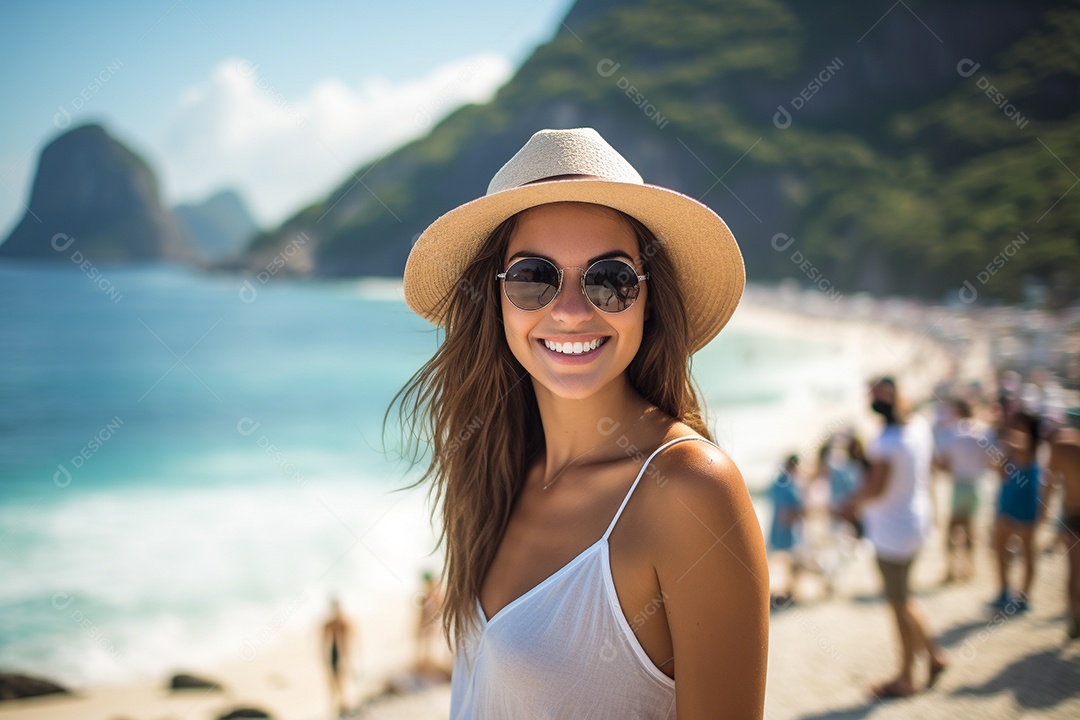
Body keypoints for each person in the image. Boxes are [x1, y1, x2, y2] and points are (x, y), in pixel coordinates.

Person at [393, 128, 768, 718]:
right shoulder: (495, 473)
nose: (569, 311)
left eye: (610, 280)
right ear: (494, 299)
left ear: (649, 297)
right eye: (533, 278)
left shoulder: (690, 490)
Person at [843, 377, 947, 698]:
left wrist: (847, 505)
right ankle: (933, 656)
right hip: (916, 522)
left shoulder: (884, 442)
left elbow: (876, 488)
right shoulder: (918, 427)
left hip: (892, 532)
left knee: (898, 603)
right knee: (904, 598)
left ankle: (905, 676)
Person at [990, 414, 1043, 613]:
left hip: (1025, 506)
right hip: (1008, 504)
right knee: (1001, 549)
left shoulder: (1030, 448)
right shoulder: (1012, 449)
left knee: (1028, 552)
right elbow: (999, 471)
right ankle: (1005, 591)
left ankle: (1023, 597)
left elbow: (1019, 444)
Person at [936, 399, 991, 583]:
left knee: (952, 529)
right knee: (970, 527)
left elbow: (943, 462)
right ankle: (970, 568)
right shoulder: (982, 431)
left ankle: (950, 570)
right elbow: (991, 460)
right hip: (977, 485)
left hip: (959, 484)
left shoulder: (953, 432)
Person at [1047, 415, 1080, 639]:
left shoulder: (1062, 446)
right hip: (1073, 516)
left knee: (1075, 573)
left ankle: (1074, 619)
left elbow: (1051, 482)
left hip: (1074, 515)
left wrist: (1042, 512)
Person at [768, 454, 805, 607]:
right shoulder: (789, 484)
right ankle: (789, 593)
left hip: (777, 528)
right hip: (787, 530)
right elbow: (788, 511)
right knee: (791, 564)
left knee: (780, 563)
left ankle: (784, 593)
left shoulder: (777, 483)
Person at [321, 596, 355, 717]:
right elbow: (324, 643)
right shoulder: (330, 624)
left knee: (340, 679)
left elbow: (351, 640)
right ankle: (338, 705)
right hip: (335, 652)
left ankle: (342, 704)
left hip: (342, 653)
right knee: (334, 680)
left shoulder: (344, 622)